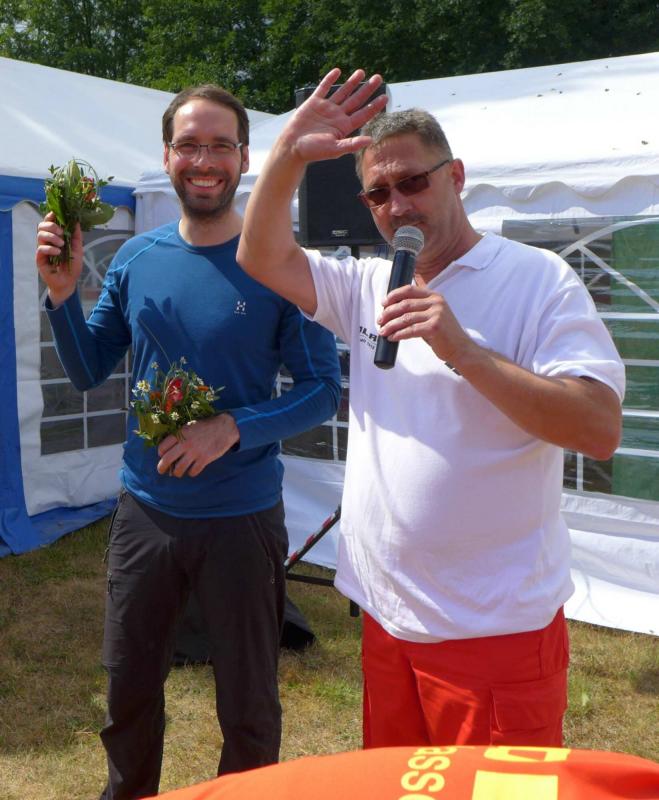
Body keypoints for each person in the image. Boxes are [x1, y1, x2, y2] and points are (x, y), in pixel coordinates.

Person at [236, 68, 625, 749]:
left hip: (493, 629)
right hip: (388, 619)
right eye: (378, 193)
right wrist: (288, 154)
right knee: (401, 790)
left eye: (413, 182)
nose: (397, 205)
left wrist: (463, 351)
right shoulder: (366, 283)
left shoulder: (537, 279)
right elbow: (261, 255)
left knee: (494, 794)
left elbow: (597, 427)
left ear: (456, 177)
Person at [36, 84, 341, 799]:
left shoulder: (278, 264)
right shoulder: (136, 257)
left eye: (219, 145)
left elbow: (322, 390)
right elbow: (88, 370)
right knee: (128, 690)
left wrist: (232, 427)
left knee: (248, 703)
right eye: (189, 145)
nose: (204, 161)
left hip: (241, 518)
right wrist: (63, 296)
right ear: (168, 155)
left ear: (244, 157)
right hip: (144, 512)